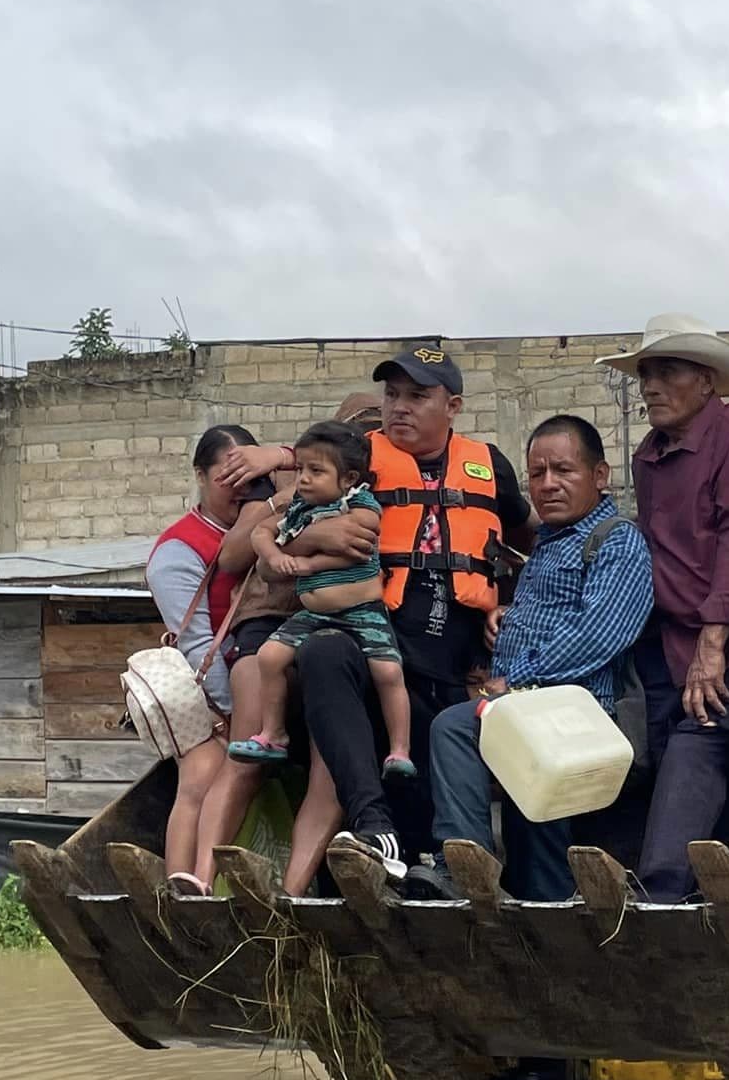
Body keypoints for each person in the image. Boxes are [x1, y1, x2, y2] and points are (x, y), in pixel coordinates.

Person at [214, 345, 538, 865]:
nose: (399, 407)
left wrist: (514, 605)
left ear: (452, 406)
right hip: (377, 634)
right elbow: (296, 499)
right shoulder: (358, 462)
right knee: (322, 653)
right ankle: (371, 821)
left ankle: (433, 867)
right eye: (391, 395)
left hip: (456, 659)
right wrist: (282, 474)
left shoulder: (489, 466)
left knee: (430, 795)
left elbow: (526, 538)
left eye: (417, 396)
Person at [597, 314, 729, 902]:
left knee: (697, 745)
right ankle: (705, 898)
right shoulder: (649, 454)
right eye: (646, 375)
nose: (651, 386)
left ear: (706, 381)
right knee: (660, 758)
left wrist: (713, 647)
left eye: (668, 372)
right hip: (666, 643)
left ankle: (657, 898)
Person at [427, 415, 655, 899]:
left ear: (600, 475)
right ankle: (533, 926)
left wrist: (519, 680)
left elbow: (601, 633)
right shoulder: (550, 544)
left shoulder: (618, 540)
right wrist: (510, 618)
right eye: (537, 473)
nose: (547, 484)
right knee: (533, 836)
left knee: (455, 727)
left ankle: (465, 868)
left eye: (563, 471)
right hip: (532, 717)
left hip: (575, 715)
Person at [229, 422, 413, 778]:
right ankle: (273, 734)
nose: (304, 479)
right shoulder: (298, 508)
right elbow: (260, 531)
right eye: (299, 469)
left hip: (362, 613)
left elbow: (352, 550)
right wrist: (273, 554)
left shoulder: (359, 504)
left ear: (348, 478)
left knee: (388, 672)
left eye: (316, 471)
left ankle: (399, 750)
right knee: (268, 657)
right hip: (315, 615)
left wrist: (306, 561)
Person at [145, 425, 256, 886]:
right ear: (199, 475)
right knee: (201, 777)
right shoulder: (179, 549)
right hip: (208, 694)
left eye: (248, 477)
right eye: (225, 477)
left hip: (246, 687)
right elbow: (193, 642)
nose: (239, 490)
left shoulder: (260, 531)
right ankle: (182, 887)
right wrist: (229, 711)